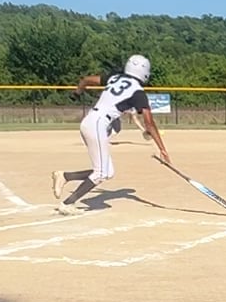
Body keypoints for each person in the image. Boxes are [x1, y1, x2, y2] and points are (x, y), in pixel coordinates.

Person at [50, 54, 170, 212]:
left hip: (91, 121)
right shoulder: (138, 92)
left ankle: (65, 176)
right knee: (101, 173)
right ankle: (67, 204)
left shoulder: (114, 78)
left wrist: (77, 93)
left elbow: (86, 80)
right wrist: (162, 149)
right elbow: (150, 123)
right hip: (98, 124)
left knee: (107, 172)